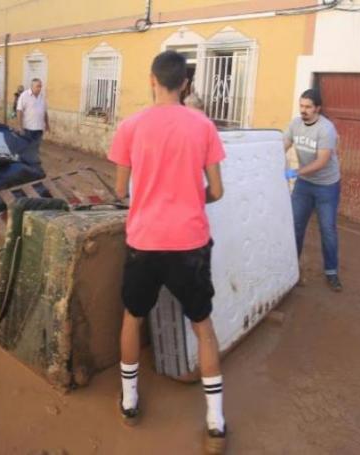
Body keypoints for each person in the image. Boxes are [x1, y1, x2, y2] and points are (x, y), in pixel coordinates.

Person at [108, 50, 227, 454]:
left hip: (144, 240)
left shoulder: (131, 126)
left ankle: (129, 402)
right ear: (186, 84)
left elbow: (119, 191)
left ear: (151, 80)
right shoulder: (204, 125)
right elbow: (217, 190)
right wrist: (192, 199)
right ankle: (215, 421)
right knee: (203, 326)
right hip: (190, 243)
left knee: (132, 317)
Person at [283, 88, 343, 292]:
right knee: (295, 226)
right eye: (301, 106)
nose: (304, 110)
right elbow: (283, 144)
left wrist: (296, 172)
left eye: (308, 107)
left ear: (318, 108)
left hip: (327, 186)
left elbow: (322, 161)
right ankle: (291, 268)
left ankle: (331, 272)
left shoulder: (326, 129)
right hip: (304, 185)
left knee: (327, 229)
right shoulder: (295, 124)